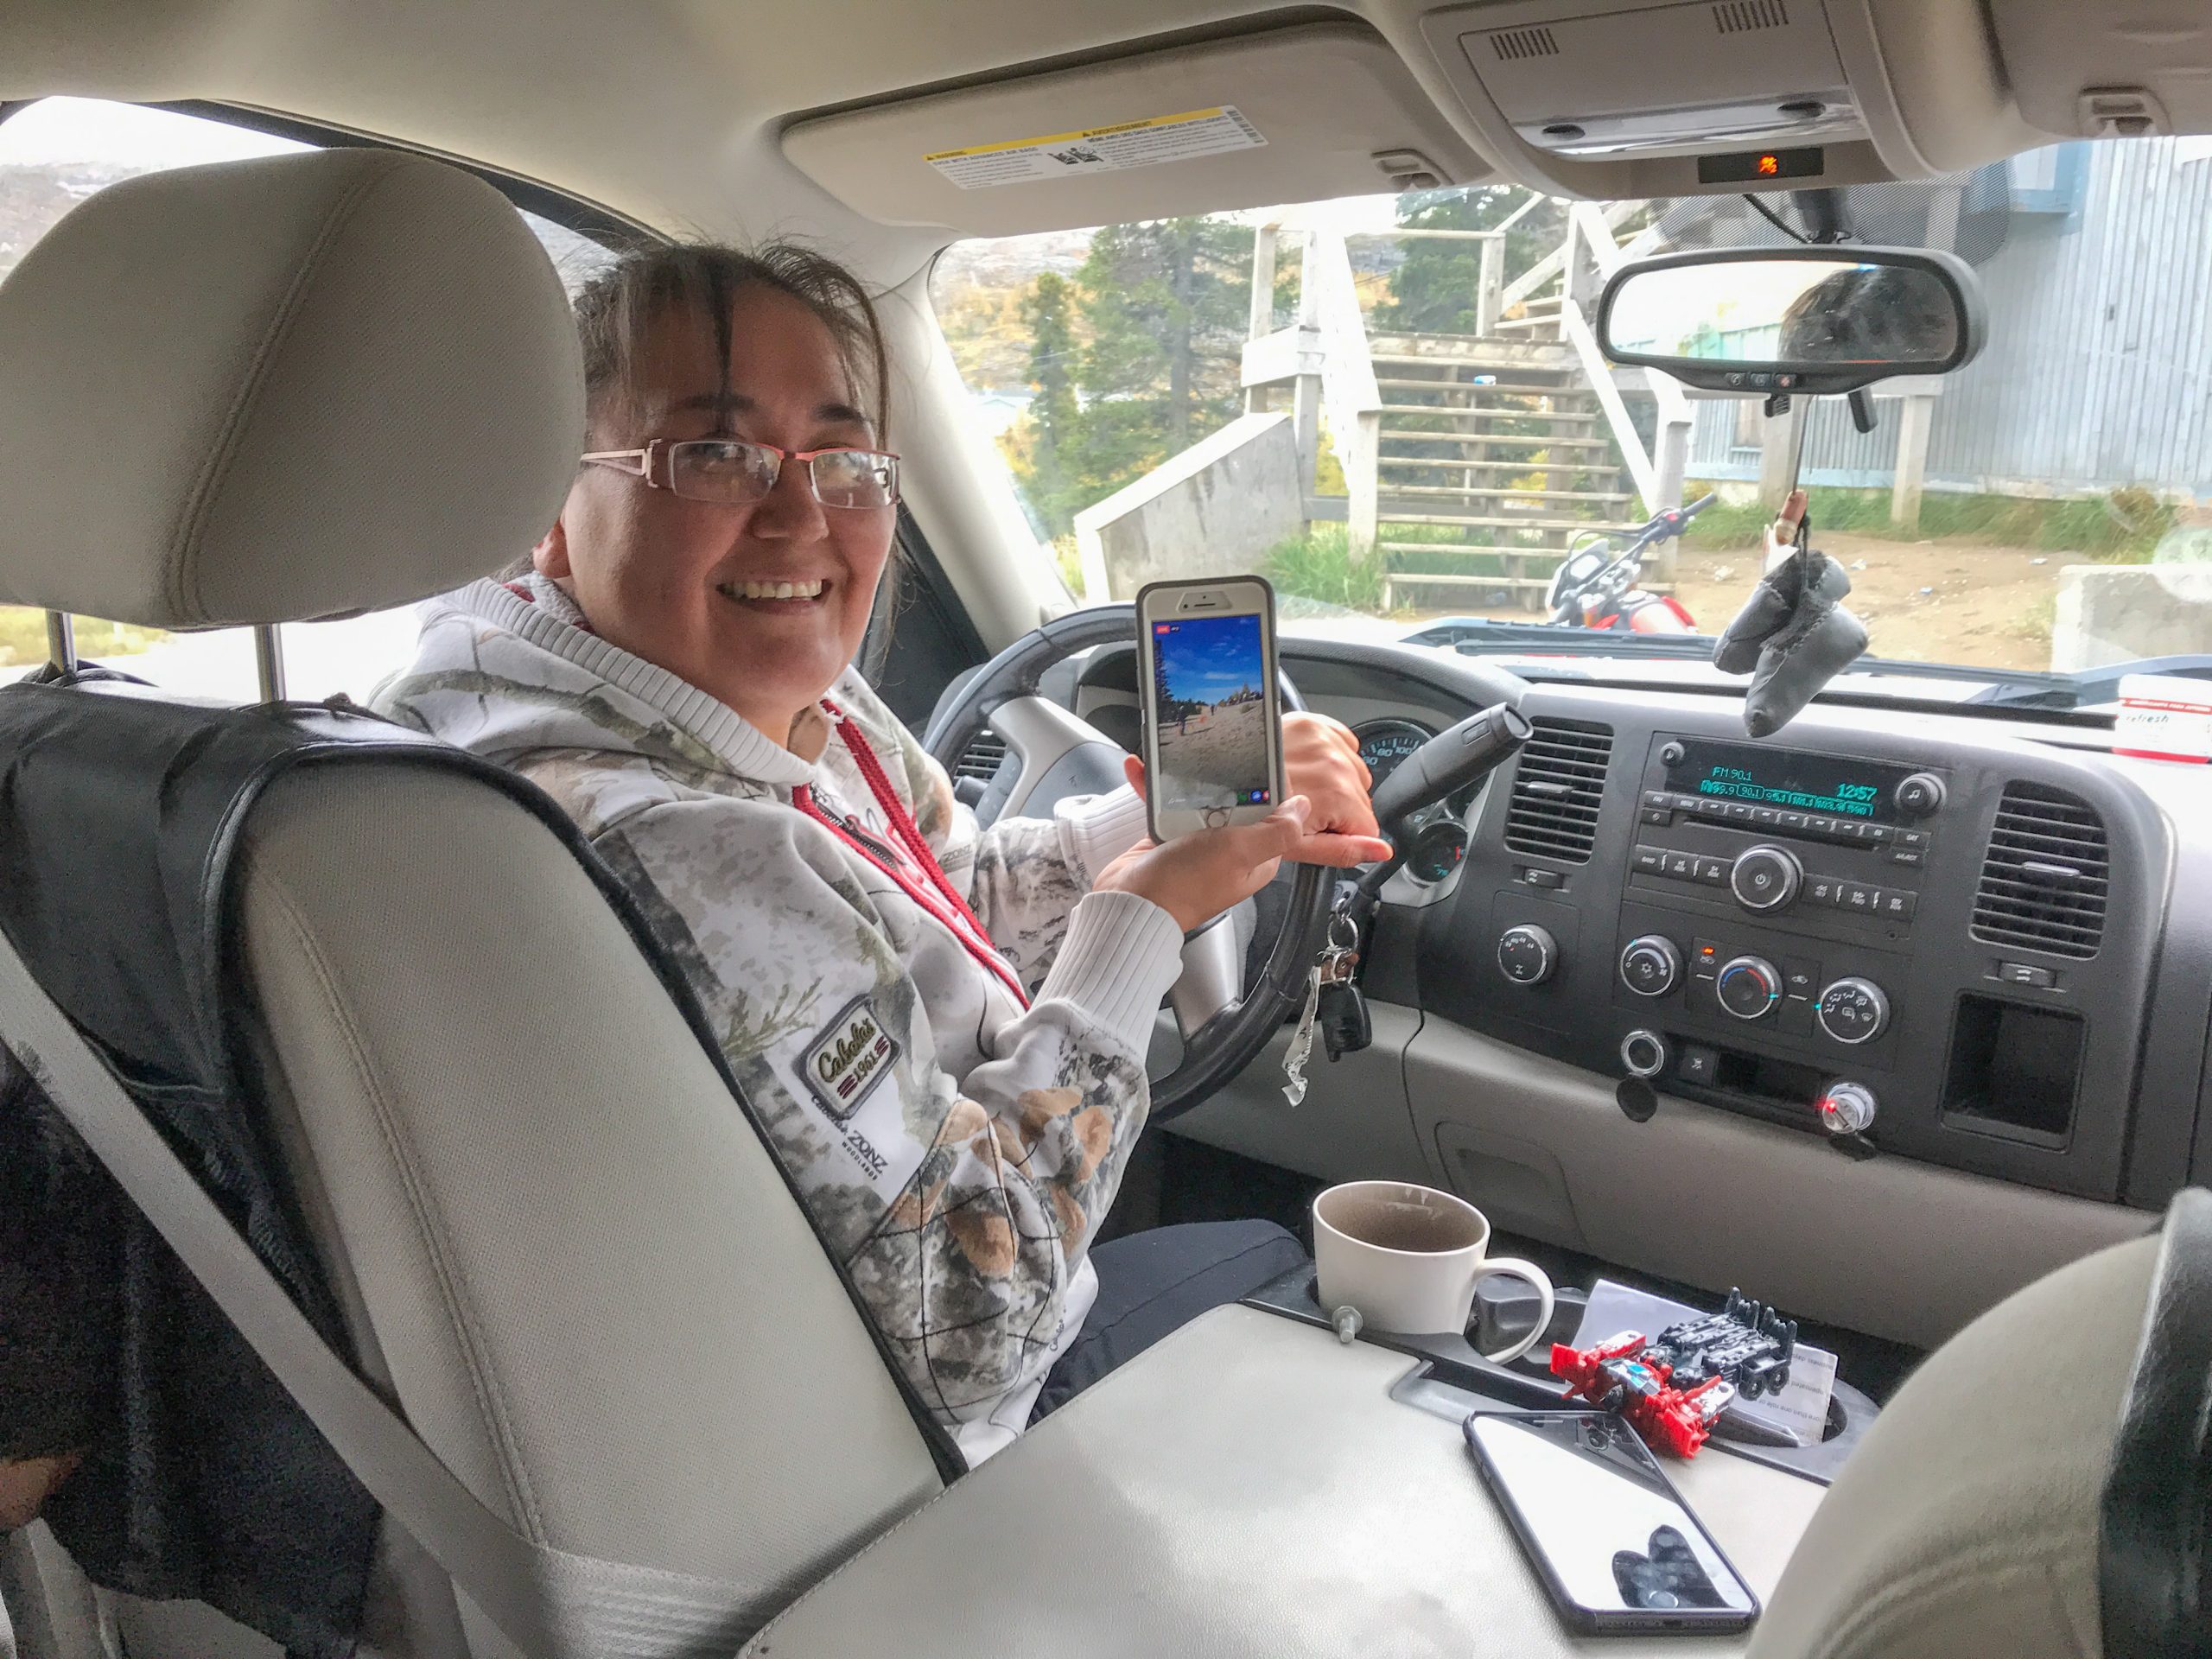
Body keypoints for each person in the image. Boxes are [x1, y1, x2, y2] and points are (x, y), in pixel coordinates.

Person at [371, 242, 1392, 1463]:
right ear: (545, 506)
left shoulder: (623, 695)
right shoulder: (681, 849)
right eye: (713, 452)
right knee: (1290, 1271)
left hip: (781, 1370)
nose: (801, 513)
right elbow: (976, 1328)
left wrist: (1139, 831)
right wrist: (1137, 929)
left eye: (845, 460)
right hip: (903, 1460)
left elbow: (918, 902)